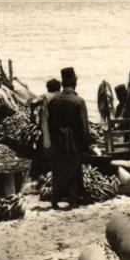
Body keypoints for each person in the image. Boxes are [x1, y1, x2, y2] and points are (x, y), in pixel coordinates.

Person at [47, 67, 92, 211]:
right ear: (74, 82)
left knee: (58, 171)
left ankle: (54, 200)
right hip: (73, 142)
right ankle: (72, 200)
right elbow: (84, 127)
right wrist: (87, 145)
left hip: (58, 141)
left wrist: (53, 141)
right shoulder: (78, 101)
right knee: (74, 170)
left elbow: (50, 123)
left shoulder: (54, 100)